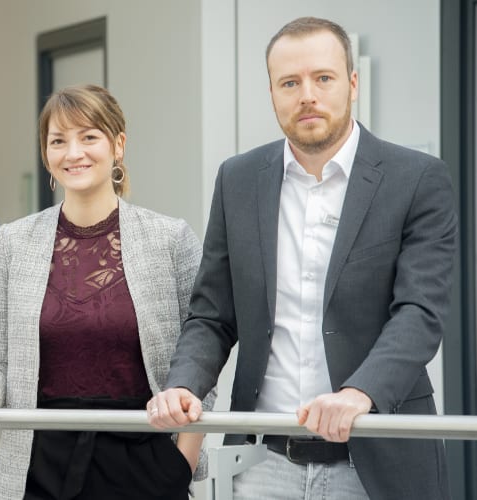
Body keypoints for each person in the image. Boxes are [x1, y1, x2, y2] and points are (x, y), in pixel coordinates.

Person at [148, 16, 455, 500]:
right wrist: (184, 384)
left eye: (323, 78)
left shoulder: (416, 179)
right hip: (262, 465)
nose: (306, 95)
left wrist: (361, 394)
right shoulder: (238, 180)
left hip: (377, 460)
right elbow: (212, 313)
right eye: (289, 82)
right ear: (271, 92)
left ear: (352, 83)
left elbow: (419, 312)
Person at [0, 84, 213, 500]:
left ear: (118, 145)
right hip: (40, 461)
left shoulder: (171, 239)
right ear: (46, 154)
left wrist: (183, 461)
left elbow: (201, 351)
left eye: (89, 137)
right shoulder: (14, 243)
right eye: (58, 141)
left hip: (145, 458)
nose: (74, 152)